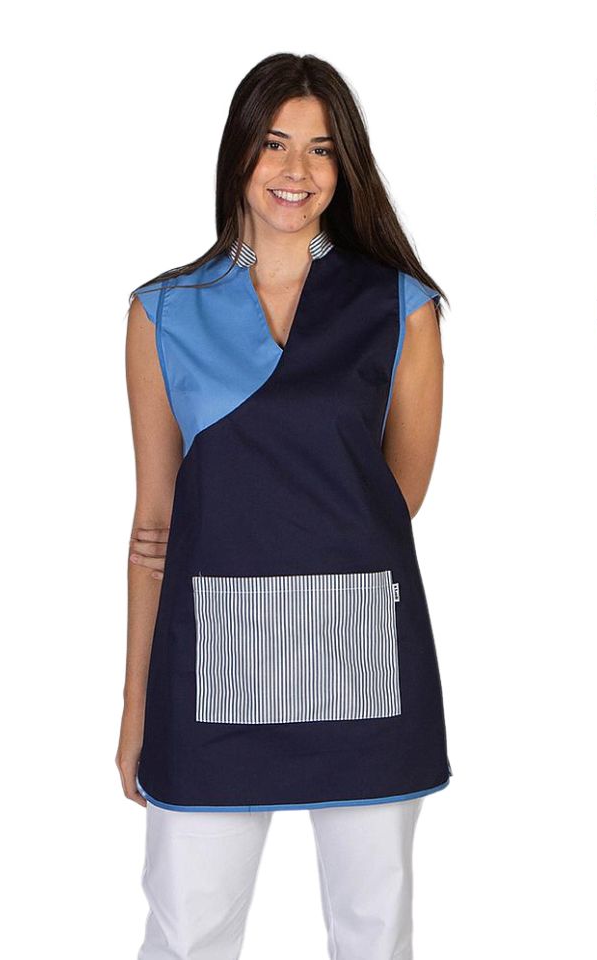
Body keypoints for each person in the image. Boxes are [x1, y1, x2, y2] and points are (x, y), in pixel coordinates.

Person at [120, 52, 452, 960]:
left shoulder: (400, 308)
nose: (295, 170)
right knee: (188, 932)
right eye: (274, 143)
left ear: (346, 167)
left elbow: (394, 498)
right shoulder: (163, 312)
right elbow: (154, 530)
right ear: (239, 152)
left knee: (374, 931)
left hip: (360, 654)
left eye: (321, 148)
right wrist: (137, 705)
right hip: (209, 668)